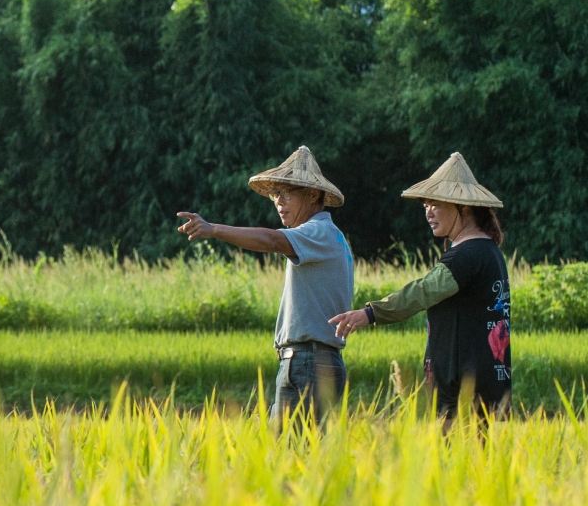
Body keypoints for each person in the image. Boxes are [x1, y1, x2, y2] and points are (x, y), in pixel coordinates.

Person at [329, 152, 511, 428]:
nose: (428, 212)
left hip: (463, 386)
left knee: (454, 464)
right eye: (426, 204)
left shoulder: (466, 256)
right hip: (488, 381)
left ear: (463, 208)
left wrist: (370, 313)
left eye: (436, 204)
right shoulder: (488, 250)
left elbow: (423, 291)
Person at [178, 146, 354, 422]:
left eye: (287, 193)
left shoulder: (318, 232)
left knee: (288, 455)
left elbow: (272, 240)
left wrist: (213, 230)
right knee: (295, 456)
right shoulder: (329, 236)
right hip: (308, 361)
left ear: (312, 195)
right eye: (275, 195)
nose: (279, 202)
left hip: (308, 362)